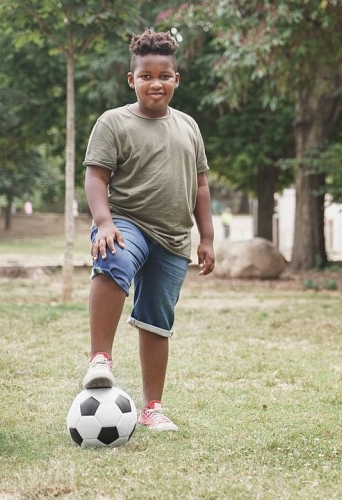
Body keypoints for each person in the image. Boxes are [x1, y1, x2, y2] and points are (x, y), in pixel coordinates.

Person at [81, 29, 215, 432]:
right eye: (146, 76)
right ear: (131, 79)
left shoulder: (189, 126)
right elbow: (95, 177)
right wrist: (104, 222)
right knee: (114, 257)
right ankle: (99, 360)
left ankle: (153, 407)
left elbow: (201, 184)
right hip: (126, 221)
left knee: (157, 320)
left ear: (176, 79)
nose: (155, 83)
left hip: (173, 238)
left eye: (163, 75)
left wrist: (206, 236)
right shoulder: (114, 122)